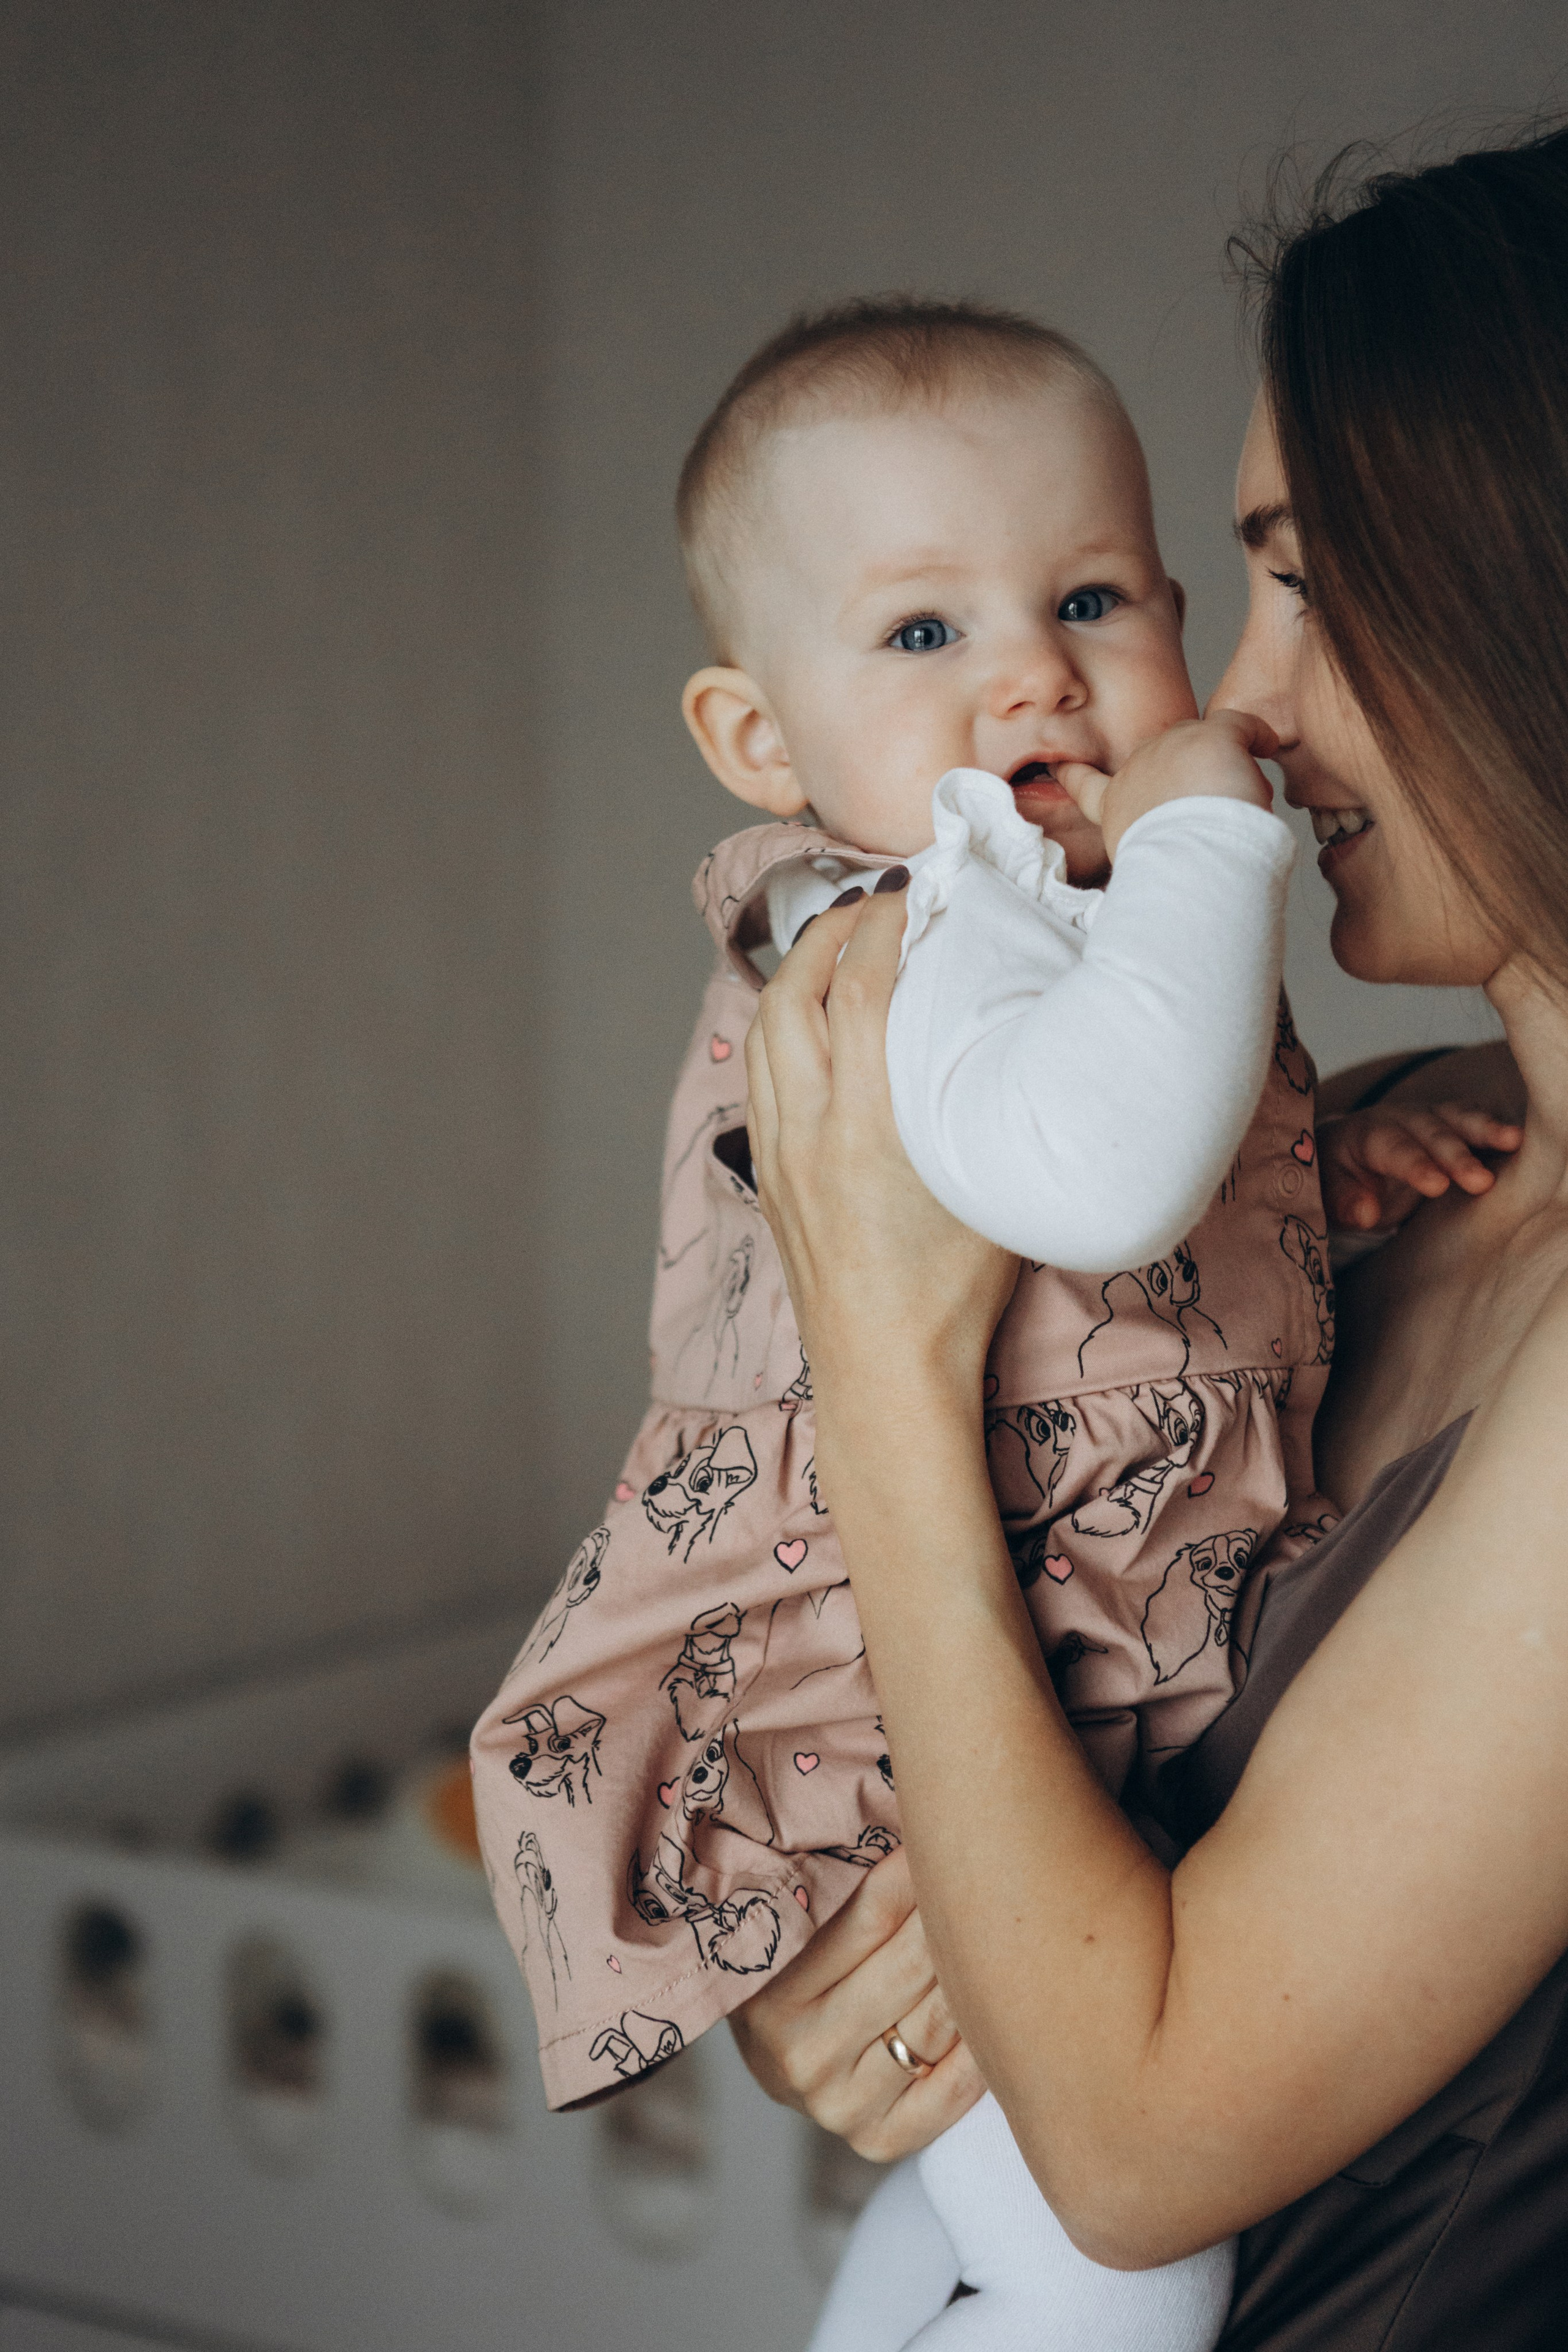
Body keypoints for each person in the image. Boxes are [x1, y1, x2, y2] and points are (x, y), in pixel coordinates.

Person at [470, 300, 1512, 2348]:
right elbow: (1096, 1174)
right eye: (927, 630)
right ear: (761, 742)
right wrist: (1203, 835)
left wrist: (1314, 1165)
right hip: (889, 1703)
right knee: (1101, 2284)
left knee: (1056, 2236)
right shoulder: (913, 922)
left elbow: (1116, 1217)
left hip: (1028, 1776)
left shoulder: (1048, 946)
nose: (1038, 673)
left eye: (1096, 599)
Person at [733, 126, 1568, 2350]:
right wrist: (861, 1966)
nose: (1240, 707)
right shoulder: (1365, 1161)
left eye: (1311, 586)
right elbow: (1044, 1818)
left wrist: (881, 1358)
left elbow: (1133, 2146)